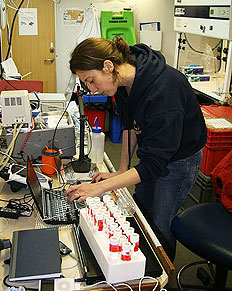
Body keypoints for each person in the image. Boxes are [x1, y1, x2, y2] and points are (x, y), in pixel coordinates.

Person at [64, 37, 207, 260]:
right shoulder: (123, 81)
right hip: (155, 151)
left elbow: (153, 165)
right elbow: (130, 126)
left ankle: (161, 279)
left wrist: (98, 188)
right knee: (140, 205)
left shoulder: (162, 91)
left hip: (180, 158)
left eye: (92, 81)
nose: (92, 89)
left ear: (108, 66)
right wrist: (121, 171)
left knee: (161, 221)